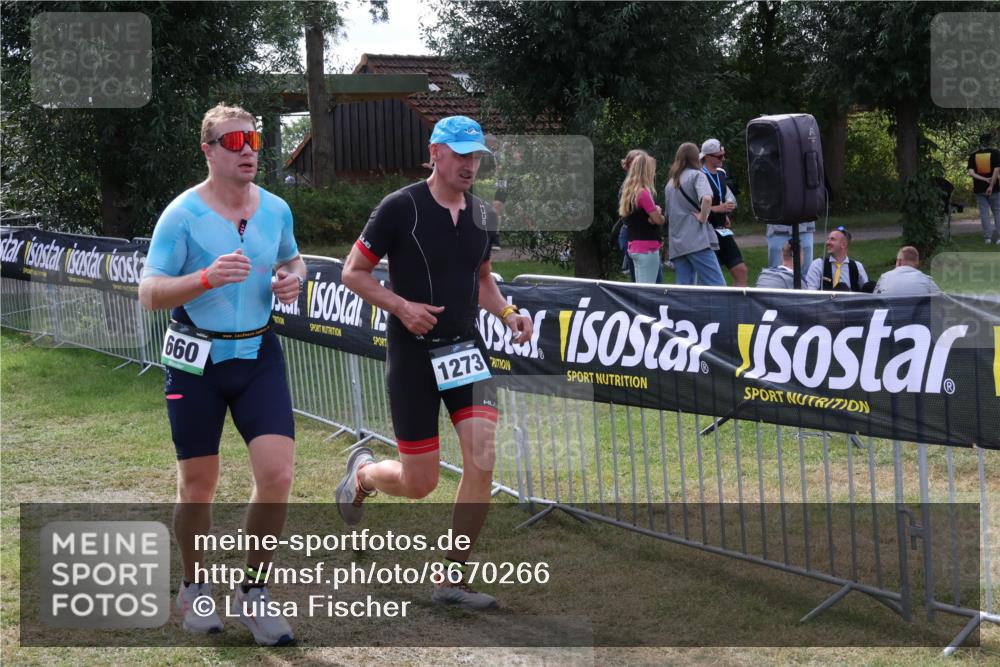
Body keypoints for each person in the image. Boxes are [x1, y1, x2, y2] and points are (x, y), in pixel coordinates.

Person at [339, 115, 534, 611]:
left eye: (476, 157)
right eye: (462, 154)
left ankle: (453, 577)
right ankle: (363, 474)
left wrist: (509, 312)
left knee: (482, 457)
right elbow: (353, 273)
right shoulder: (399, 207)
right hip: (413, 354)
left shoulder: (483, 214)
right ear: (436, 153)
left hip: (465, 349)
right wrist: (401, 307)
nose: (470, 165)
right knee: (419, 482)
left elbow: (483, 278)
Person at [139, 104, 306, 646]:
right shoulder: (182, 214)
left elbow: (293, 260)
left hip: (258, 355)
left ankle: (254, 592)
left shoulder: (276, 209)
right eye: (234, 141)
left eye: (253, 139)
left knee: (278, 475)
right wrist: (205, 278)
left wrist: (291, 279)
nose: (248, 149)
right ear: (208, 150)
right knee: (198, 486)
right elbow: (149, 293)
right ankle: (195, 585)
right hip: (198, 360)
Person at [665, 142, 725, 286]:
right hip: (696, 240)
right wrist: (703, 217)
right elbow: (706, 198)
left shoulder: (671, 183)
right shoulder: (698, 175)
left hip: (677, 242)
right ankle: (722, 309)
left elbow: (668, 215)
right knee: (718, 286)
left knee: (685, 289)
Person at [700, 138, 748, 287]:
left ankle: (738, 307)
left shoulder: (721, 173)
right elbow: (693, 208)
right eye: (720, 156)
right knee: (714, 278)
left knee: (741, 270)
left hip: (722, 229)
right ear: (707, 157)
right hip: (706, 231)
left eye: (723, 154)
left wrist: (725, 214)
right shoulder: (699, 175)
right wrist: (717, 209)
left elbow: (722, 196)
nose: (723, 158)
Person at [618, 152, 666, 283]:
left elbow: (643, 218)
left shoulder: (629, 192)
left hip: (635, 246)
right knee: (649, 291)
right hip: (647, 248)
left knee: (640, 289)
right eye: (652, 170)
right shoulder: (643, 193)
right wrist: (658, 212)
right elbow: (658, 220)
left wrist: (652, 217)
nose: (654, 173)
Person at [804, 226, 869, 291]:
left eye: (832, 239)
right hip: (826, 301)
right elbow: (811, 292)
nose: (827, 242)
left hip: (850, 301)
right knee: (841, 287)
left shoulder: (857, 266)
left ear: (843, 244)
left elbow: (867, 290)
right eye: (828, 239)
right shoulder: (818, 264)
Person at [967, 133, 1000, 244]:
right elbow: (996, 171)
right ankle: (999, 238)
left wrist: (984, 180)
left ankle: (988, 238)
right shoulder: (995, 153)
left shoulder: (973, 155)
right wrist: (990, 185)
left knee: (984, 214)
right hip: (994, 189)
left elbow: (971, 173)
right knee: (997, 212)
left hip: (979, 189)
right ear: (990, 142)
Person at [874, 245, 941, 296]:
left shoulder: (884, 278)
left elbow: (875, 299)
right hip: (917, 314)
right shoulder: (927, 280)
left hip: (891, 313)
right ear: (917, 263)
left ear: (899, 262)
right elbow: (943, 301)